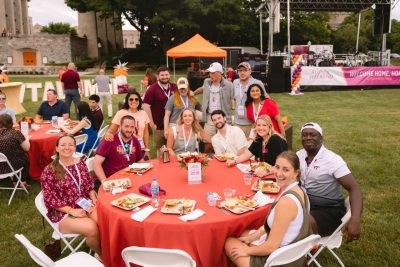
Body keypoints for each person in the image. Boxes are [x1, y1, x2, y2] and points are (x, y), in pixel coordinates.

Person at [225, 151, 311, 267]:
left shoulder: (286, 203)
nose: (279, 173)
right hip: (290, 250)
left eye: (286, 170)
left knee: (229, 242)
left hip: (279, 260)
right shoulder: (299, 190)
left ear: (296, 173)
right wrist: (253, 237)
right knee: (242, 233)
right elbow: (277, 225)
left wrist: (247, 251)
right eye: (277, 167)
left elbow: (271, 246)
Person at [297, 122, 363, 241]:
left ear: (321, 138)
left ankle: (301, 253)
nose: (308, 138)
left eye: (313, 135)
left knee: (300, 222)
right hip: (305, 203)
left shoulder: (332, 160)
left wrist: (355, 219)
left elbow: (355, 189)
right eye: (304, 135)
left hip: (329, 209)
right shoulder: (299, 155)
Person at [40, 135, 101, 256]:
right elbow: (50, 199)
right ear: (57, 148)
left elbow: (88, 184)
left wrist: (93, 198)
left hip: (84, 202)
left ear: (74, 147)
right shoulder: (49, 171)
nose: (67, 147)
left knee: (103, 221)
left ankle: (105, 246)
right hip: (63, 212)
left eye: (70, 145)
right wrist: (72, 211)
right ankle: (102, 255)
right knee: (92, 228)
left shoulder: (80, 162)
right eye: (63, 145)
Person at [93, 115, 144, 184]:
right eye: (126, 126)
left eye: (132, 127)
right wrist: (105, 182)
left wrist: (149, 168)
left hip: (127, 180)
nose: (129, 130)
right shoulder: (109, 140)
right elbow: (96, 163)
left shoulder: (135, 141)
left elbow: (140, 160)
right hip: (111, 180)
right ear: (120, 127)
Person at [106, 91, 151, 160]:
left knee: (143, 167)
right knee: (128, 166)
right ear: (127, 101)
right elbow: (112, 130)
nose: (134, 101)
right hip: (125, 145)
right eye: (131, 99)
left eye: (136, 99)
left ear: (139, 101)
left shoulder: (143, 113)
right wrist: (108, 134)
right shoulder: (121, 113)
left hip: (140, 146)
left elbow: (146, 132)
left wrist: (147, 149)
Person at [142, 66, 177, 154]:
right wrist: (152, 123)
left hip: (174, 124)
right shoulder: (152, 89)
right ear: (158, 76)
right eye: (162, 75)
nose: (165, 77)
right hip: (159, 125)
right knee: (161, 150)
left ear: (170, 75)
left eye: (166, 74)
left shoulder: (174, 87)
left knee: (174, 149)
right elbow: (146, 106)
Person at [233, 62, 268, 137]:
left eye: (245, 70)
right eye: (240, 70)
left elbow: (266, 99)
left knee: (251, 146)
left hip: (252, 123)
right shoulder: (235, 82)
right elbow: (234, 99)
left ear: (250, 71)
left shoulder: (257, 83)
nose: (242, 73)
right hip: (237, 122)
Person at [200, 62, 234, 138]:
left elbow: (234, 98)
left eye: (213, 73)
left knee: (224, 140)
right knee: (207, 140)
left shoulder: (229, 85)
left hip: (223, 117)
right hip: (210, 116)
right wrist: (193, 93)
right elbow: (202, 89)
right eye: (210, 73)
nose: (210, 75)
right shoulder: (206, 82)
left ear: (220, 73)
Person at [0, 114, 30, 188]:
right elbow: (27, 148)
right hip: (14, 165)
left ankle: (15, 179)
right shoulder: (15, 133)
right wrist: (27, 138)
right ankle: (21, 181)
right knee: (25, 157)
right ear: (11, 123)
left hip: (1, 167)